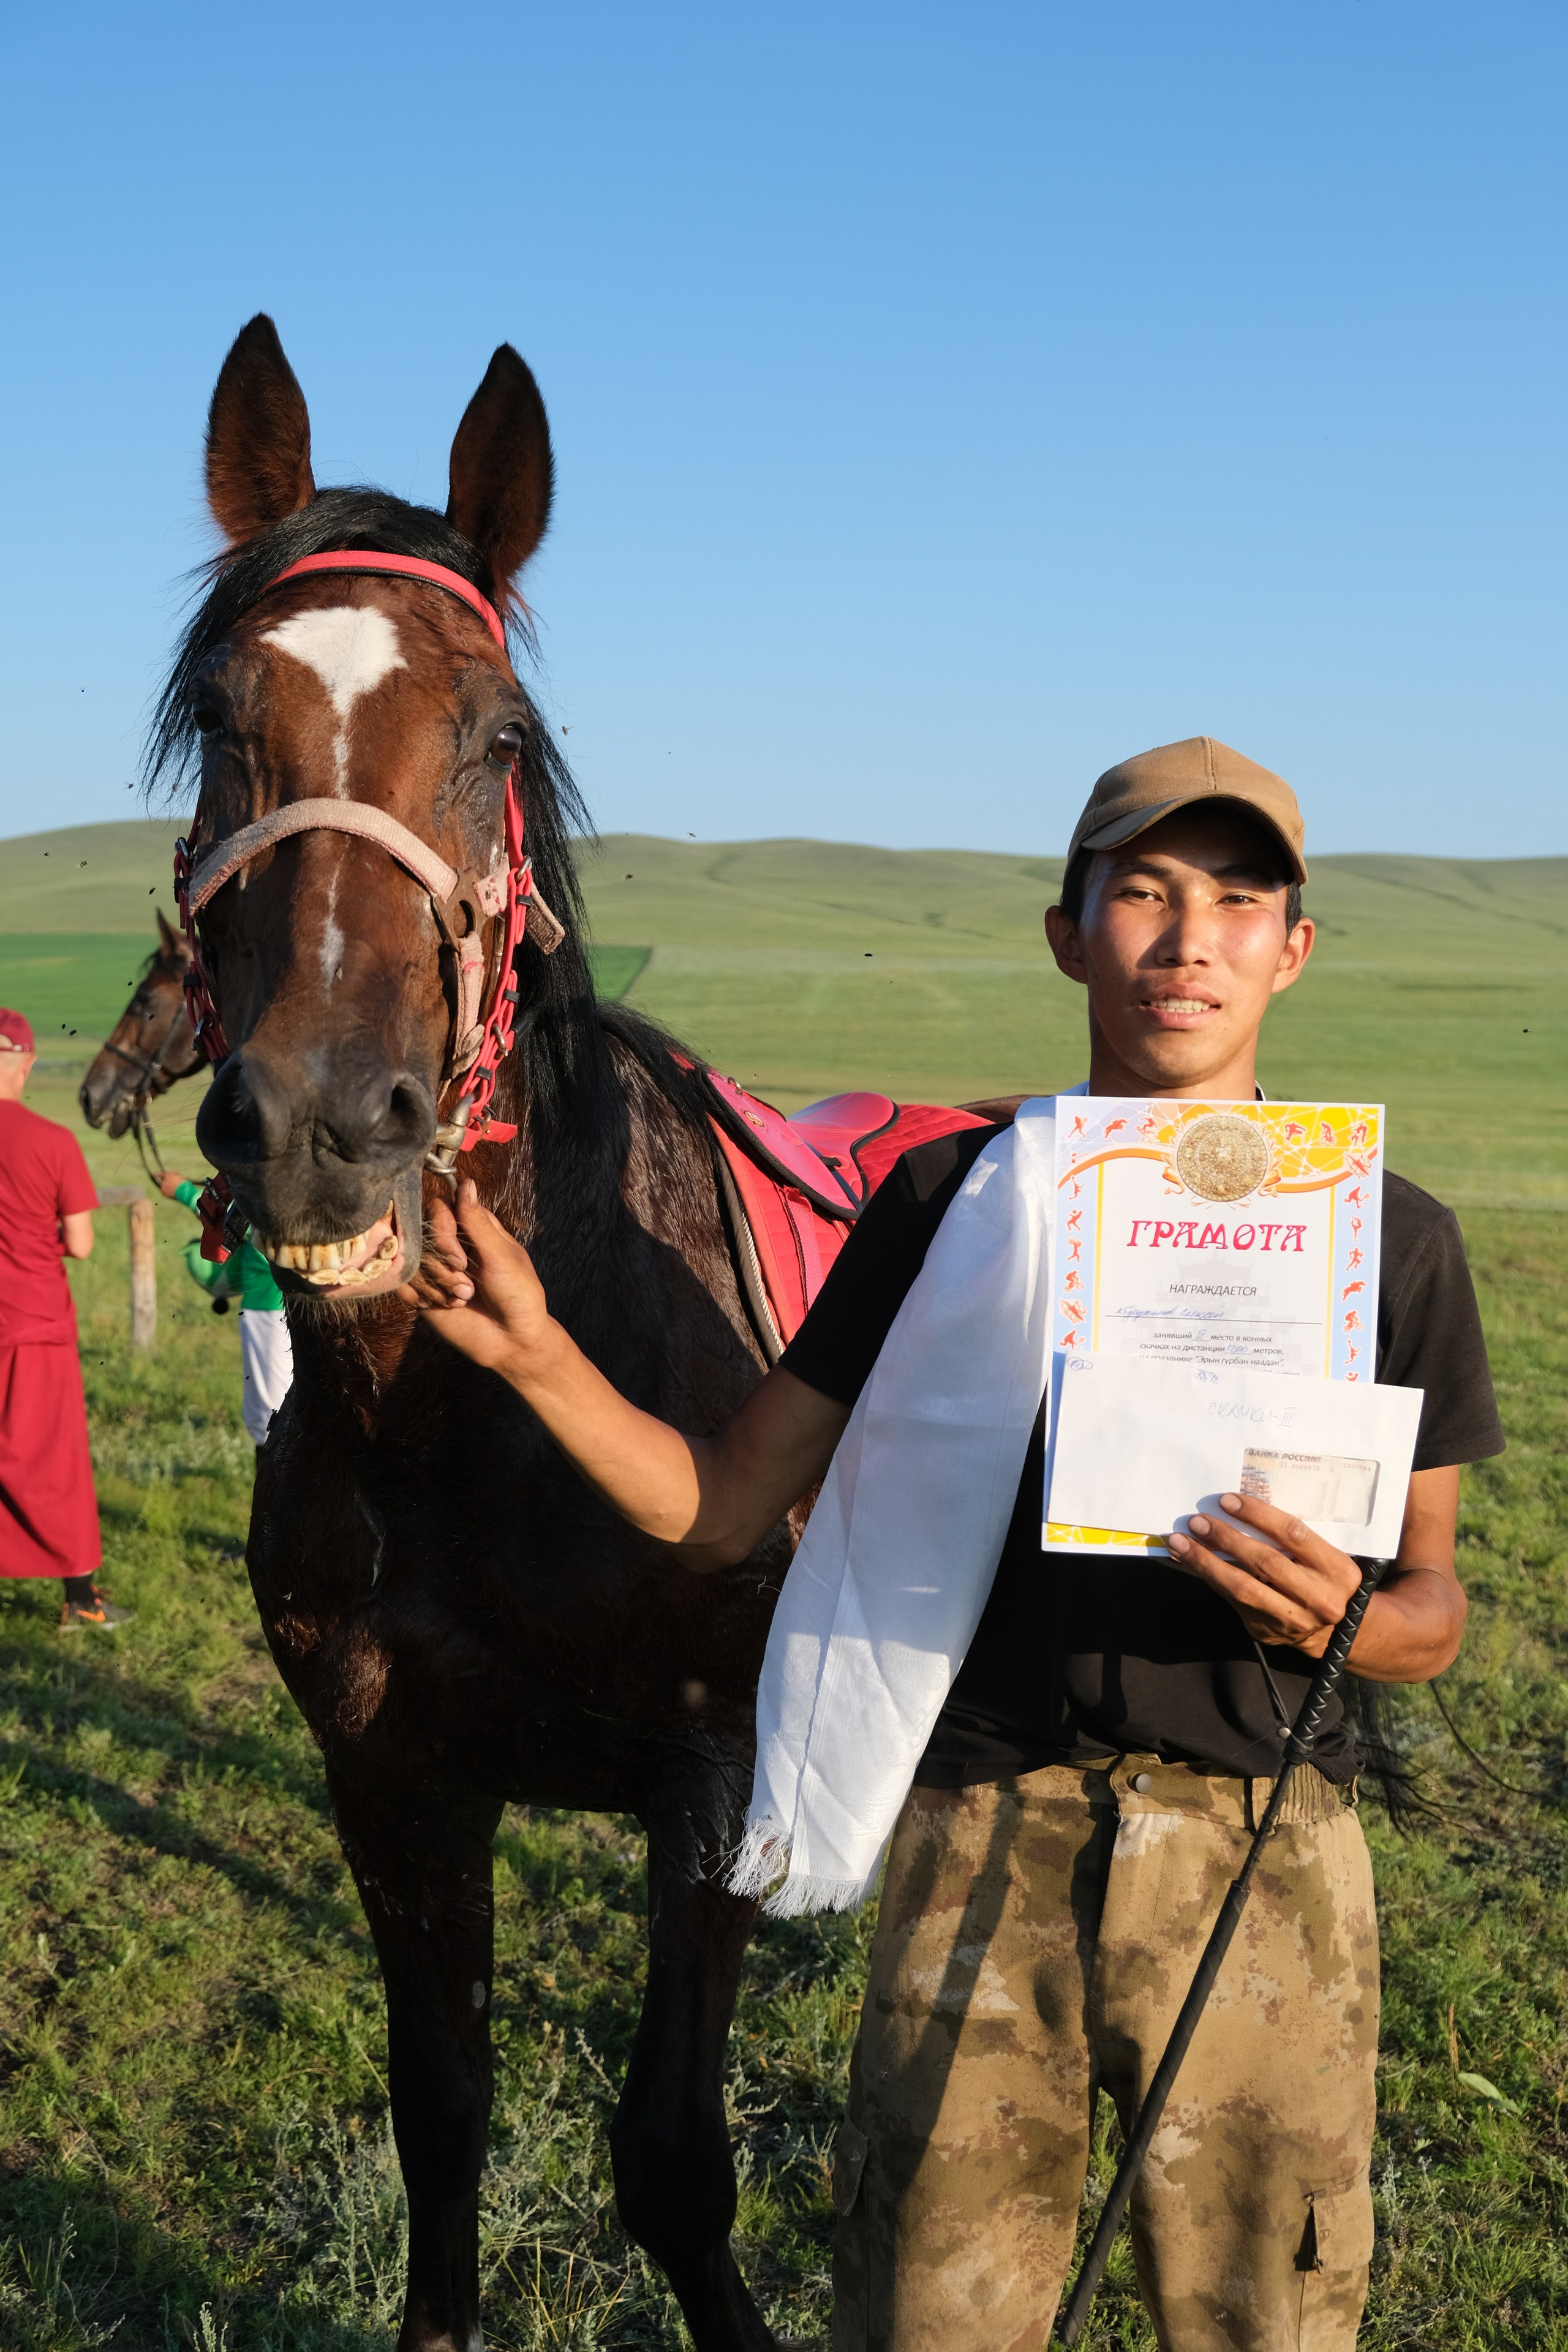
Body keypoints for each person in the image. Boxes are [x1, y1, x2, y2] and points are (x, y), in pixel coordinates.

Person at [402, 739, 1503, 2351]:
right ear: (1068, 936)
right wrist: (537, 1360)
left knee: (1267, 2317)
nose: (1188, 940)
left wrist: (1343, 1613)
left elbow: (1434, 1610)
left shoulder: (1390, 1240)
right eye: (1140, 894)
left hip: (1265, 1855)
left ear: (1293, 948)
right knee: (932, 2313)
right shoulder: (944, 1205)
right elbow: (719, 1508)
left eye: (1236, 901)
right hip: (979, 1828)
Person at [0, 1008, 132, 1631]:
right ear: (25, 1064)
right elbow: (80, 1244)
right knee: (52, 1460)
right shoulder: (53, 1143)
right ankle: (80, 1598)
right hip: (35, 1321)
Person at [155, 1170, 293, 1449]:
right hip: (280, 1307)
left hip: (269, 1309)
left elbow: (248, 1221)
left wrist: (184, 1192)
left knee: (270, 1419)